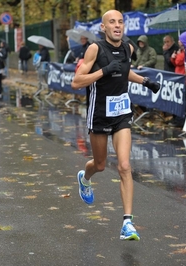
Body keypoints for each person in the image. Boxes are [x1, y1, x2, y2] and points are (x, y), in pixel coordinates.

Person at [71, 9, 160, 241]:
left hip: (121, 113)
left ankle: (127, 223)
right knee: (100, 165)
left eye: (120, 22)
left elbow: (124, 71)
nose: (117, 25)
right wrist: (103, 71)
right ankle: (84, 177)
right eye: (112, 22)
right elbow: (76, 81)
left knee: (124, 166)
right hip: (99, 113)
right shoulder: (94, 49)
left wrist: (145, 81)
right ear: (103, 27)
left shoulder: (128, 48)